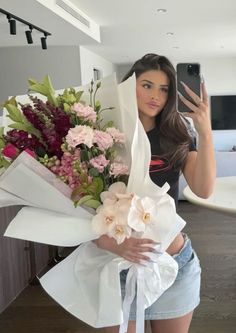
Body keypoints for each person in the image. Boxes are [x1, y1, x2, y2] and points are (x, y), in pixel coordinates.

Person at [94, 53, 216, 333]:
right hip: (117, 266)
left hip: (173, 265)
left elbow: (203, 189)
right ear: (130, 85)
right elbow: (84, 205)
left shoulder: (178, 134)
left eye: (164, 89)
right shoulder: (104, 136)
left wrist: (204, 130)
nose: (156, 96)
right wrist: (113, 245)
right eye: (147, 85)